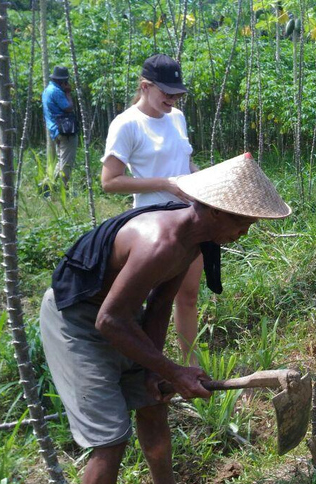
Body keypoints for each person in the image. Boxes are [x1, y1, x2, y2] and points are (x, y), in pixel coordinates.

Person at [39, 154, 291, 484]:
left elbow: (158, 308)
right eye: (241, 223)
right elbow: (108, 320)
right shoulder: (160, 242)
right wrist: (173, 370)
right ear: (215, 210)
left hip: (122, 314)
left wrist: (154, 372)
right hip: (77, 320)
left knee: (153, 404)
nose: (244, 233)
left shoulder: (194, 241)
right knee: (110, 440)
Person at [101, 54, 202, 366]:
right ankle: (145, 367)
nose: (172, 100)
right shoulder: (127, 124)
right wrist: (166, 184)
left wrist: (207, 188)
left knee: (188, 297)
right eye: (166, 93)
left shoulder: (177, 118)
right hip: (152, 228)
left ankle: (192, 366)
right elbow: (110, 181)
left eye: (176, 94)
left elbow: (186, 163)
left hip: (189, 218)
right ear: (145, 86)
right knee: (151, 302)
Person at [42, 65, 77, 187]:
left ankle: (49, 186)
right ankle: (57, 189)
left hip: (55, 130)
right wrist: (68, 93)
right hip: (64, 130)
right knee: (66, 162)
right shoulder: (57, 91)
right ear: (62, 80)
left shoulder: (47, 90)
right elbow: (68, 107)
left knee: (61, 160)